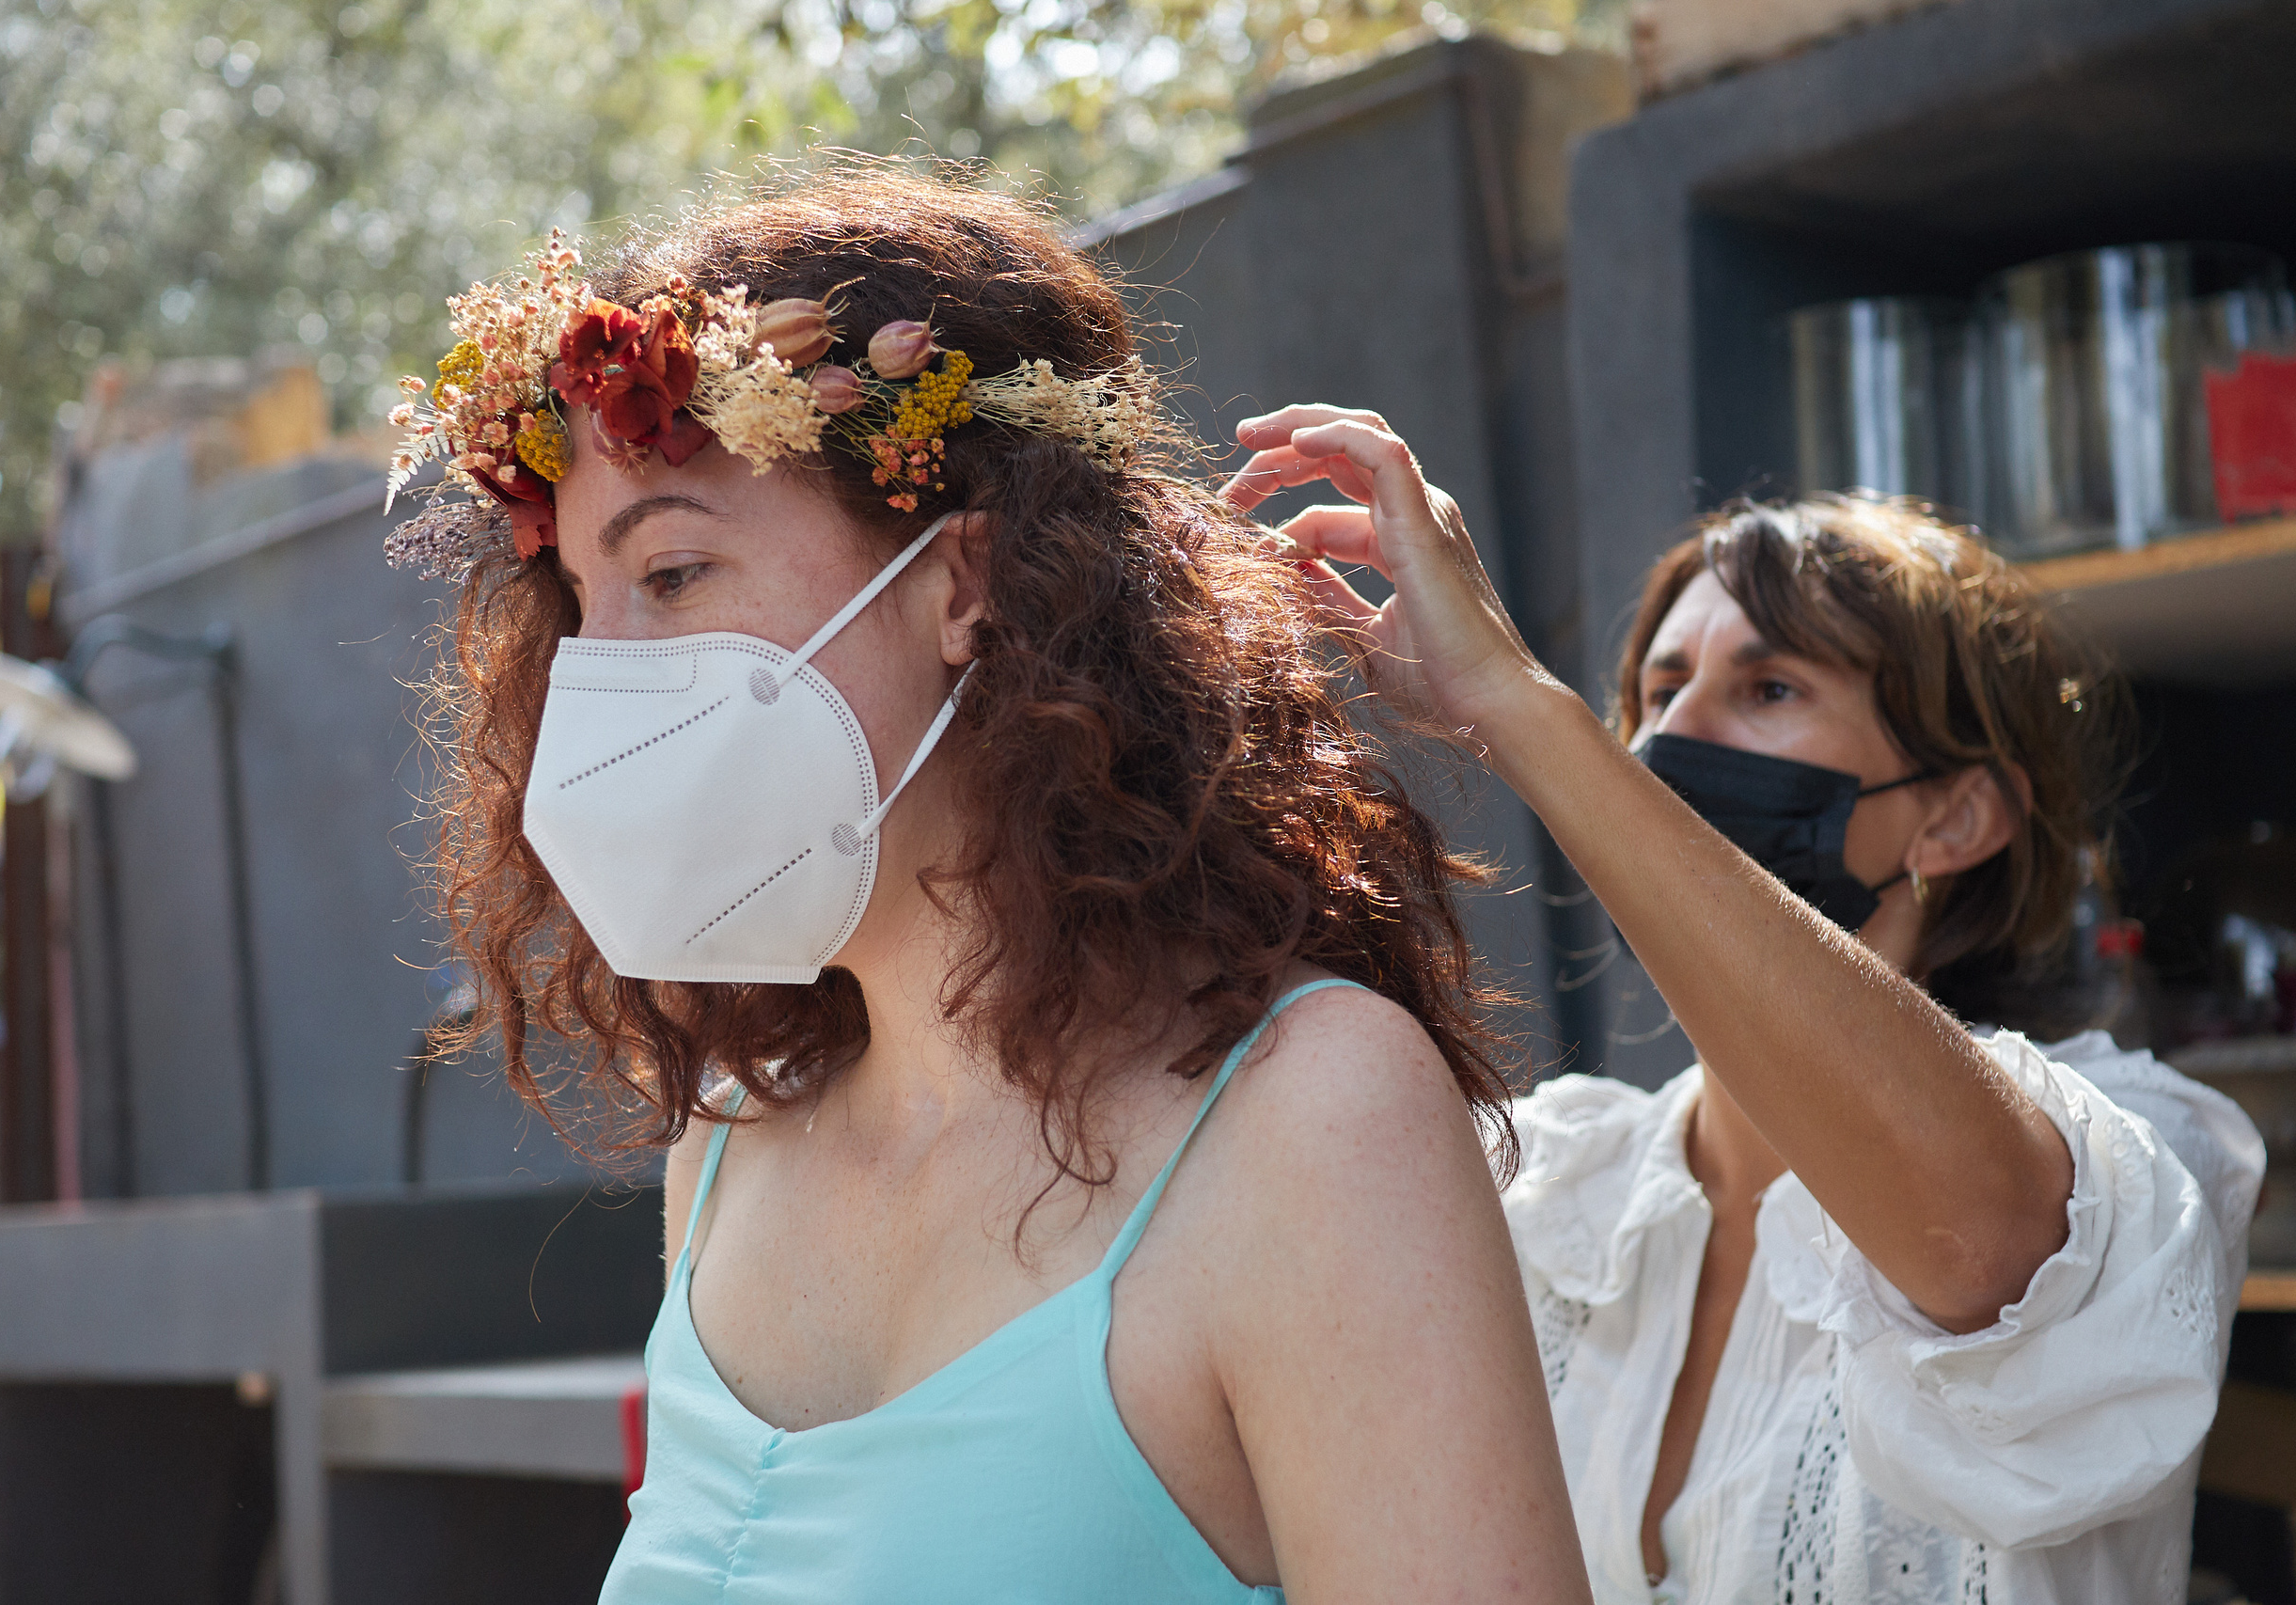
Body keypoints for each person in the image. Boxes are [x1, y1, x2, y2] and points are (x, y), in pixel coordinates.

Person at [387, 173, 1592, 1603]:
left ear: (962, 579)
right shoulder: (726, 1145)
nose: (605, 678)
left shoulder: (1312, 1115)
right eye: (583, 603)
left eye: (674, 569)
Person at [1227, 414, 2265, 1604]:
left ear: (1957, 818)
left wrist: (1514, 707)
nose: (1674, 738)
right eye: (1657, 691)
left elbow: (1975, 1247)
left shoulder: (2138, 1158)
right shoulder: (1544, 1192)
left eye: (1768, 686)